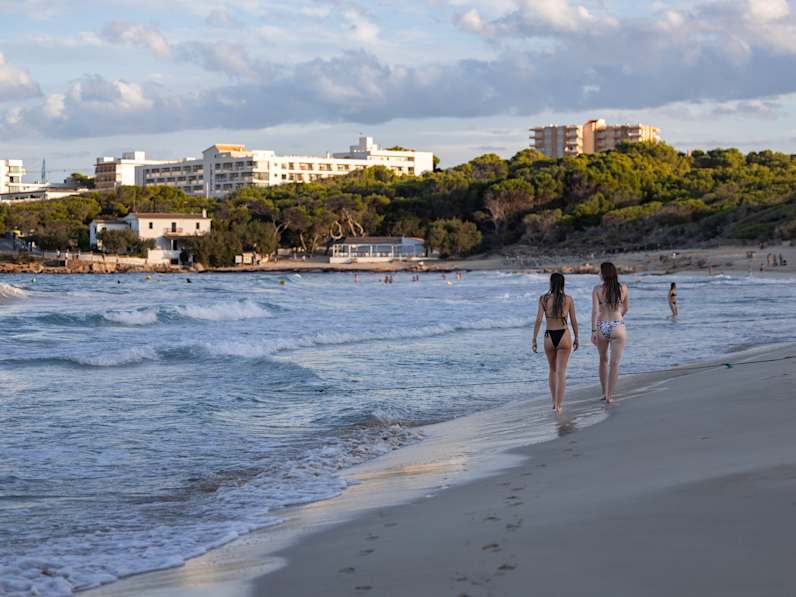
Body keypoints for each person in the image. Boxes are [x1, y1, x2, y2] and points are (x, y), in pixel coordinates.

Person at [532, 273, 579, 414]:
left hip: (548, 336)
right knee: (561, 372)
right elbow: (574, 320)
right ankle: (559, 404)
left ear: (551, 283)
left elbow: (539, 320)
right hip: (564, 335)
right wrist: (577, 337)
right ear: (563, 283)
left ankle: (554, 403)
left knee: (552, 370)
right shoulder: (568, 299)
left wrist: (534, 338)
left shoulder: (544, 299)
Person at [591, 262, 630, 405]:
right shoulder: (624, 288)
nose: (598, 274)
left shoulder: (597, 289)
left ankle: (603, 392)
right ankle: (610, 396)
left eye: (600, 272)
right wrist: (618, 317)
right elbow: (626, 308)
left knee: (603, 360)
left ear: (604, 273)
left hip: (602, 326)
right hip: (617, 325)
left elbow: (595, 311)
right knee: (615, 363)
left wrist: (593, 331)